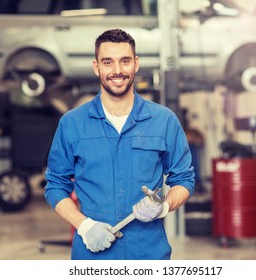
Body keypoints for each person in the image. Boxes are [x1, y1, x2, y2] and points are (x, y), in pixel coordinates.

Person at [44, 28, 195, 260]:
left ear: (135, 63)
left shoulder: (163, 120)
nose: (117, 71)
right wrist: (83, 226)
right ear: (96, 67)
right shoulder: (72, 123)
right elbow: (55, 184)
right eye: (108, 62)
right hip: (92, 256)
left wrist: (163, 206)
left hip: (149, 254)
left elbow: (184, 179)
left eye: (124, 61)